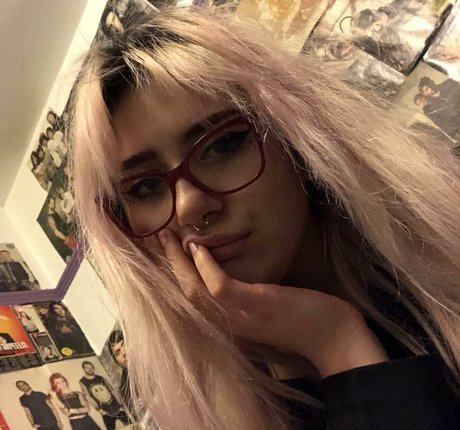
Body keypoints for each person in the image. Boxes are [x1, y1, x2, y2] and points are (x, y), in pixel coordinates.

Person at [70, 7, 460, 430]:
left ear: (297, 138)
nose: (189, 206)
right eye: (144, 188)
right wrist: (335, 344)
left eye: (222, 145)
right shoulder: (218, 409)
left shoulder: (442, 272)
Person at [79, 360, 130, 429]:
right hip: (105, 411)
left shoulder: (101, 378)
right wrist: (98, 409)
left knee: (131, 426)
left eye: (91, 367)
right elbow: (88, 397)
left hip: (118, 408)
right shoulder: (83, 381)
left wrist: (121, 405)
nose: (90, 369)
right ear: (84, 369)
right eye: (87, 368)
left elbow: (113, 391)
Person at [107, 330, 131, 409]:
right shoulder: (126, 390)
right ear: (116, 362)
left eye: (125, 345)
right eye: (117, 352)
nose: (124, 353)